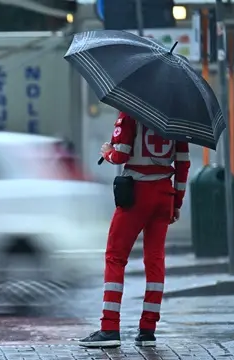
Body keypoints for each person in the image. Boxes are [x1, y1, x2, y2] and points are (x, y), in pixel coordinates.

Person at [78, 112, 190, 348]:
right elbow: (182, 164)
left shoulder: (131, 113)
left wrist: (107, 151)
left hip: (137, 193)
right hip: (164, 194)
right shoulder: (177, 119)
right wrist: (176, 201)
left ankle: (109, 328)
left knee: (115, 257)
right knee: (155, 260)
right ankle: (148, 329)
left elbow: (120, 155)